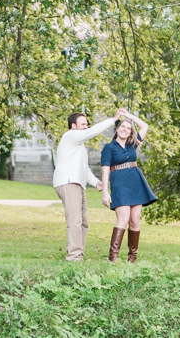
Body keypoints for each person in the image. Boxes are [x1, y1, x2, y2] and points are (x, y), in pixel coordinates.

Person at [53, 109, 126, 261]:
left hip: (78, 184)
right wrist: (113, 119)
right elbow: (92, 132)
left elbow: (84, 170)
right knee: (75, 221)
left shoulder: (78, 146)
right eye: (83, 124)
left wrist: (97, 183)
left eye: (87, 124)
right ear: (73, 126)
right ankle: (74, 257)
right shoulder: (70, 136)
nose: (86, 127)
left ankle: (78, 254)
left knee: (83, 222)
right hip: (68, 182)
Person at [100, 110, 157, 263]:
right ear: (117, 129)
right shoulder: (109, 147)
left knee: (135, 221)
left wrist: (129, 116)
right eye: (122, 127)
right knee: (123, 219)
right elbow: (105, 170)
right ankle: (113, 257)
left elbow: (145, 126)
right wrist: (105, 192)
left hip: (135, 182)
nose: (125, 129)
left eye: (128, 128)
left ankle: (132, 258)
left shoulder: (133, 144)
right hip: (119, 183)